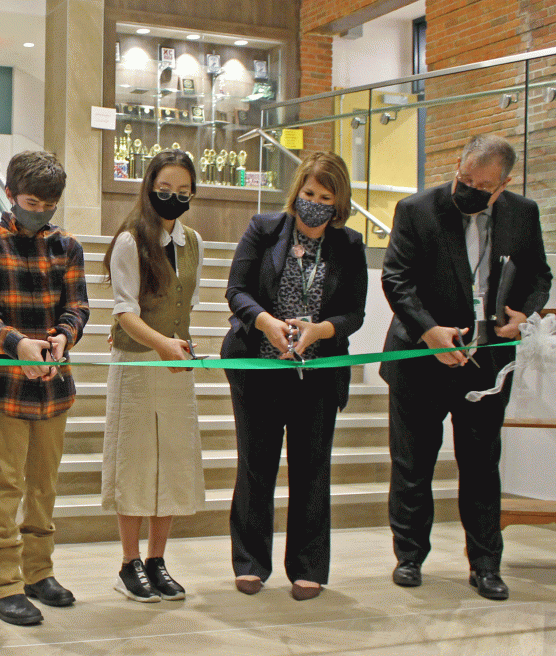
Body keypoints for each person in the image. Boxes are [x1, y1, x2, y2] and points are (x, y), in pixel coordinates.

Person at [382, 135, 552, 601]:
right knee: (412, 464)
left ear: (504, 185)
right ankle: (410, 557)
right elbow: (396, 277)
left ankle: (485, 566)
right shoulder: (417, 209)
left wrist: (525, 314)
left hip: (486, 361)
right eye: (464, 178)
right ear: (457, 165)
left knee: (481, 466)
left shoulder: (523, 213)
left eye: (482, 185)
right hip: (421, 357)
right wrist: (428, 332)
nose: (470, 189)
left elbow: (539, 275)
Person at [221, 151, 368, 601]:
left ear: (338, 202)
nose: (314, 203)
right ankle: (250, 562)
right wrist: (266, 321)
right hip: (260, 371)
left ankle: (308, 567)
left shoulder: (349, 245)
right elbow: (236, 290)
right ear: (296, 190)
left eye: (326, 197)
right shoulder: (263, 230)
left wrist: (319, 331)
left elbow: (354, 314)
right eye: (308, 193)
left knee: (311, 471)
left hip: (316, 377)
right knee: (255, 468)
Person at [0, 151, 90, 626]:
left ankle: (39, 573)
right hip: (5, 387)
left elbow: (78, 307)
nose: (40, 210)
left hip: (55, 387)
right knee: (6, 484)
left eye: (49, 203)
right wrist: (18, 345)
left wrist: (64, 335)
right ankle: (3, 586)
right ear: (11, 194)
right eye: (32, 200)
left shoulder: (68, 248)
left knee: (44, 485)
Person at [100, 150, 204, 603]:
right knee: (137, 463)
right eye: (165, 190)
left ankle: (157, 560)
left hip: (176, 364)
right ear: (149, 187)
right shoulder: (130, 241)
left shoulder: (193, 242)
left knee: (173, 463)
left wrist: (176, 344)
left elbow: (188, 303)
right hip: (140, 364)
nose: (173, 198)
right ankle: (129, 562)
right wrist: (161, 343)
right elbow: (125, 312)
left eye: (183, 192)